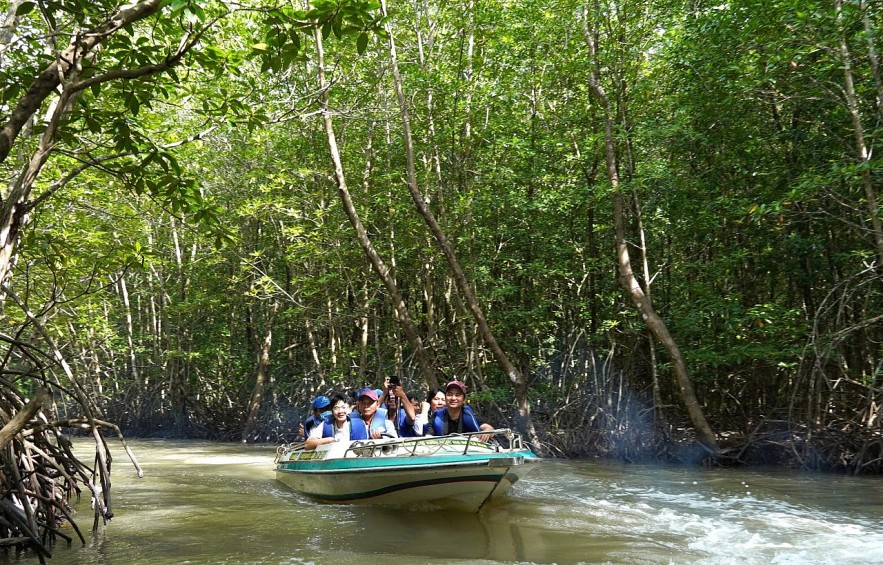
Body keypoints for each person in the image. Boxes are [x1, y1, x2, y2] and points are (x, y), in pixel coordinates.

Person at [429, 380, 494, 438]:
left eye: (457, 395)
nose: (453, 398)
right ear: (445, 398)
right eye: (450, 394)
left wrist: (487, 431)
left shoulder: (469, 415)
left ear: (464, 400)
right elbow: (428, 435)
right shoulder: (436, 416)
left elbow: (487, 427)